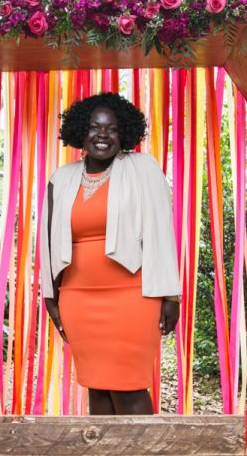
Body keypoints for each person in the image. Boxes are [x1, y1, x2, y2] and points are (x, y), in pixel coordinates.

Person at [39, 92, 181, 415]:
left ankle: (142, 452)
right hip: (78, 300)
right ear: (81, 131)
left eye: (112, 128)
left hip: (132, 299)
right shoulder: (61, 178)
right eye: (94, 127)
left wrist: (171, 296)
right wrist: (51, 298)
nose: (102, 135)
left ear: (124, 133)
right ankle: (106, 452)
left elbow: (161, 231)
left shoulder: (143, 168)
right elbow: (47, 242)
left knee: (129, 390)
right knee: (99, 389)